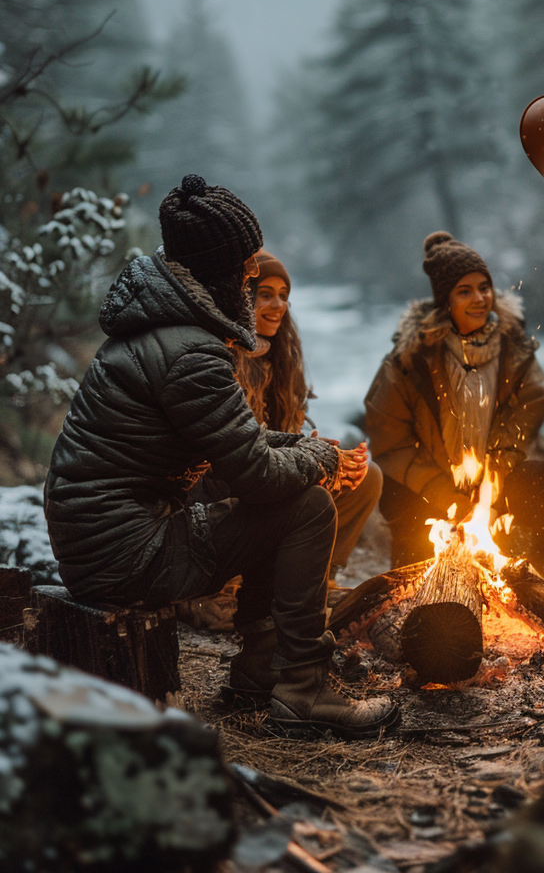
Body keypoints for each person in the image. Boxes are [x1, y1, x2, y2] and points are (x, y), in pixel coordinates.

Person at [44, 174, 398, 738]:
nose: (254, 277)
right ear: (223, 271)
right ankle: (302, 689)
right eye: (249, 267)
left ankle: (260, 668)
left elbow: (236, 440)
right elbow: (254, 474)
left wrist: (305, 447)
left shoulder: (166, 331)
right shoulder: (190, 353)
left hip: (101, 542)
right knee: (305, 506)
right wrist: (324, 463)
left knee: (290, 492)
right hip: (123, 556)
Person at [364, 231, 544, 569]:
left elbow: (529, 410)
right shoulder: (410, 359)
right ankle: (413, 572)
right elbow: (390, 441)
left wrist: (492, 480)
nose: (480, 299)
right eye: (464, 292)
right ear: (445, 302)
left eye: (484, 287)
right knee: (402, 512)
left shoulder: (514, 350)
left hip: (496, 484)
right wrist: (442, 492)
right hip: (429, 488)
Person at [235, 249, 383, 584]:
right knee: (316, 491)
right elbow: (239, 451)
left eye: (284, 296)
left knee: (366, 477)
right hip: (235, 482)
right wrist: (308, 459)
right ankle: (235, 588)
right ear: (242, 299)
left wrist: (322, 454)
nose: (278, 306)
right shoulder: (221, 357)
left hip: (274, 473)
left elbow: (286, 434)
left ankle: (318, 580)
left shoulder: (281, 359)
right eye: (266, 295)